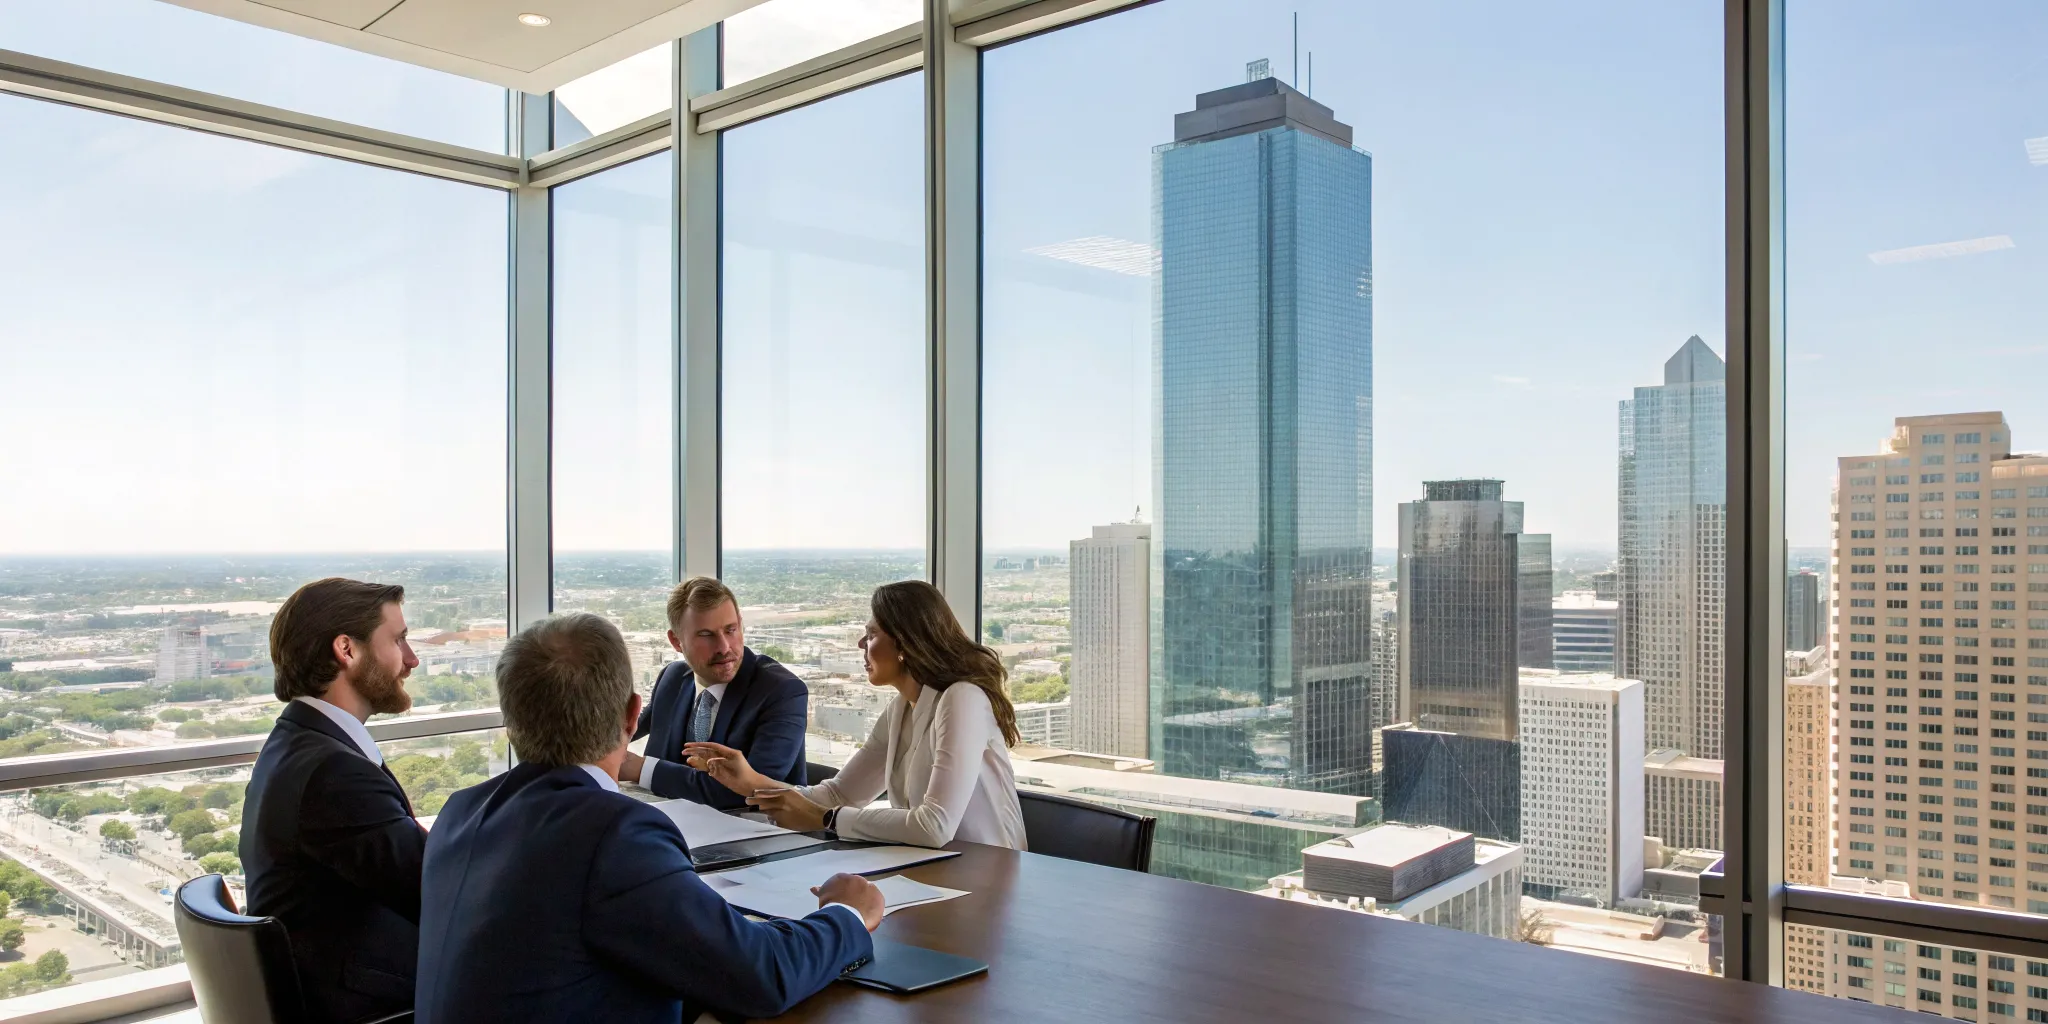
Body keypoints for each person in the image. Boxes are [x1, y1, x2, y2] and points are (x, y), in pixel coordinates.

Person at [415, 612, 880, 1024]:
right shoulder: (612, 832)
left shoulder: (460, 812)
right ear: (633, 715)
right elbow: (762, 976)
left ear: (511, 718)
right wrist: (847, 915)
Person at [695, 580, 1028, 850]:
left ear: (903, 646)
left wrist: (826, 819)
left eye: (871, 634)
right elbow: (839, 794)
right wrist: (750, 780)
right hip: (934, 873)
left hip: (989, 879)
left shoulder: (962, 698)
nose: (860, 643)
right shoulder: (899, 710)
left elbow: (934, 825)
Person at [241, 578, 426, 1024]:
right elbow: (438, 891)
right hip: (369, 1004)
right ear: (347, 649)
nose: (412, 659)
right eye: (398, 640)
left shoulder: (297, 741)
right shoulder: (334, 773)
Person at [615, 577, 807, 807]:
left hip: (758, 834)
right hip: (671, 825)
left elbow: (748, 792)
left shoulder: (782, 692)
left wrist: (640, 769)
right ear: (676, 641)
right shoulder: (672, 678)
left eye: (731, 630)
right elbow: (619, 733)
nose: (724, 647)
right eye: (706, 635)